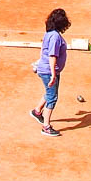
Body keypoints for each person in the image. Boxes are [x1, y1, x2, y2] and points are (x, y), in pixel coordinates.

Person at [30, 8, 71, 137]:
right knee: (53, 97)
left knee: (49, 93)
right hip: (49, 71)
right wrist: (53, 74)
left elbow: (43, 50)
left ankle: (37, 111)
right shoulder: (55, 36)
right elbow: (52, 55)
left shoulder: (49, 33)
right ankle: (46, 127)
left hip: (46, 69)